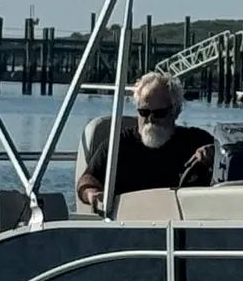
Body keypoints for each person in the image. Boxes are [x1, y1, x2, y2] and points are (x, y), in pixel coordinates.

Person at [76, 70, 214, 213]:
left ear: (176, 112)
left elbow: (232, 162)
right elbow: (88, 179)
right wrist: (92, 194)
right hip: (130, 226)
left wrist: (213, 155)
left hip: (182, 227)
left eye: (159, 113)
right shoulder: (119, 145)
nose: (150, 119)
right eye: (144, 112)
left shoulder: (196, 141)